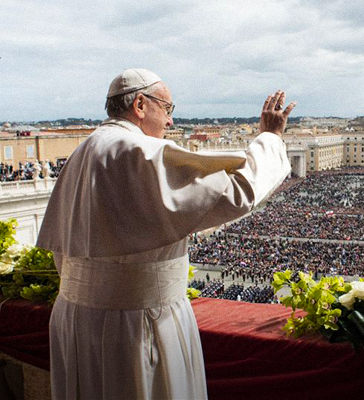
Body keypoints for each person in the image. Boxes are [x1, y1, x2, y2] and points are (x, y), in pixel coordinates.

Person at [36, 68, 295, 400]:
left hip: (75, 319)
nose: (171, 122)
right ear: (141, 105)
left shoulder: (83, 151)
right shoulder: (136, 151)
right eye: (168, 109)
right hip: (135, 324)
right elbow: (236, 192)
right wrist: (270, 137)